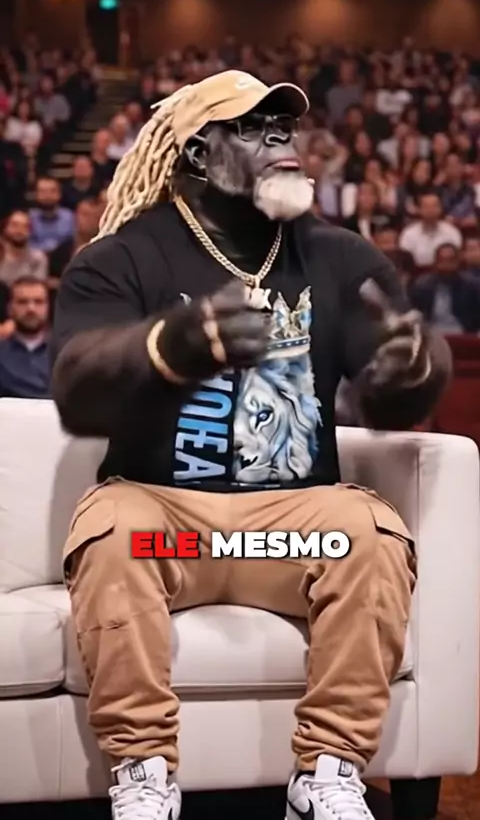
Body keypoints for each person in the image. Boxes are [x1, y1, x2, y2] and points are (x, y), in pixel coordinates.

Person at [51, 70, 451, 820]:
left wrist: (414, 371)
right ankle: (144, 775)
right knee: (114, 530)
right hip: (168, 531)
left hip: (289, 534)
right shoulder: (124, 256)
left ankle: (327, 774)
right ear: (198, 154)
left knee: (369, 534)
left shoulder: (338, 257)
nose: (278, 136)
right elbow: (75, 384)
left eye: (284, 124)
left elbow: (392, 392)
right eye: (249, 125)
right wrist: (170, 344)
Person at [411, 243, 480, 334]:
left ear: (458, 262)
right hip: (431, 333)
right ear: (435, 263)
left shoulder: (471, 286)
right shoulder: (422, 286)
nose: (446, 265)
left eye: (450, 261)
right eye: (442, 260)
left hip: (462, 333)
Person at [0, 276, 50, 397]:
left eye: (38, 302)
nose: (31, 309)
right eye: (22, 302)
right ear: (9, 308)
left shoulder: (66, 353)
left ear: (47, 307)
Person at [399, 191, 462, 268]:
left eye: (434, 206)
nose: (430, 210)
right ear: (419, 209)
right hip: (417, 273)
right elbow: (406, 261)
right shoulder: (408, 234)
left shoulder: (452, 231)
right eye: (426, 207)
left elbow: (456, 258)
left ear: (441, 209)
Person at [0, 210, 47, 286]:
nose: (19, 230)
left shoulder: (37, 258)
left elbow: (37, 287)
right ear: (5, 228)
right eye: (15, 225)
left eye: (25, 226)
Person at [29, 176, 75, 252]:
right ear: (36, 194)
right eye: (43, 191)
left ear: (60, 194)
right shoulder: (28, 218)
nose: (47, 195)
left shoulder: (70, 217)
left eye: (52, 191)